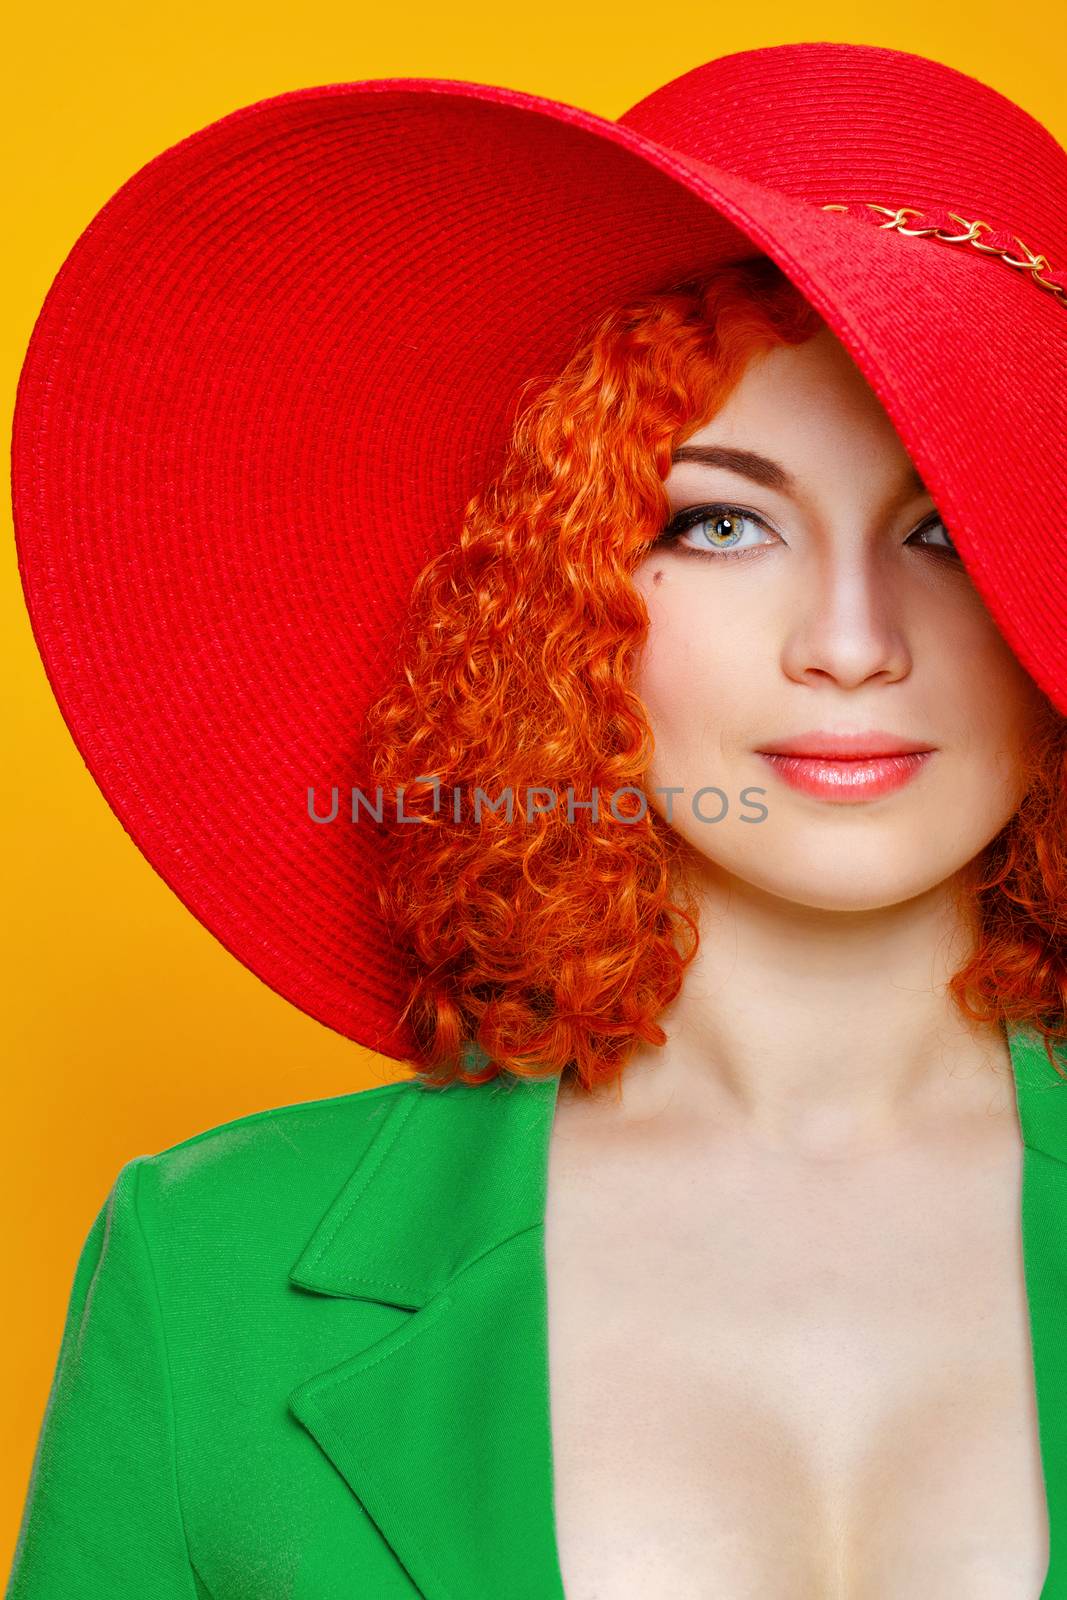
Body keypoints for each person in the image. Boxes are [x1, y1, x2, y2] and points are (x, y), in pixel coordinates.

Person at [7, 39, 1067, 1600]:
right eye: (721, 522)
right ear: (560, 598)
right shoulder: (205, 1263)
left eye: (950, 530)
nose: (851, 642)